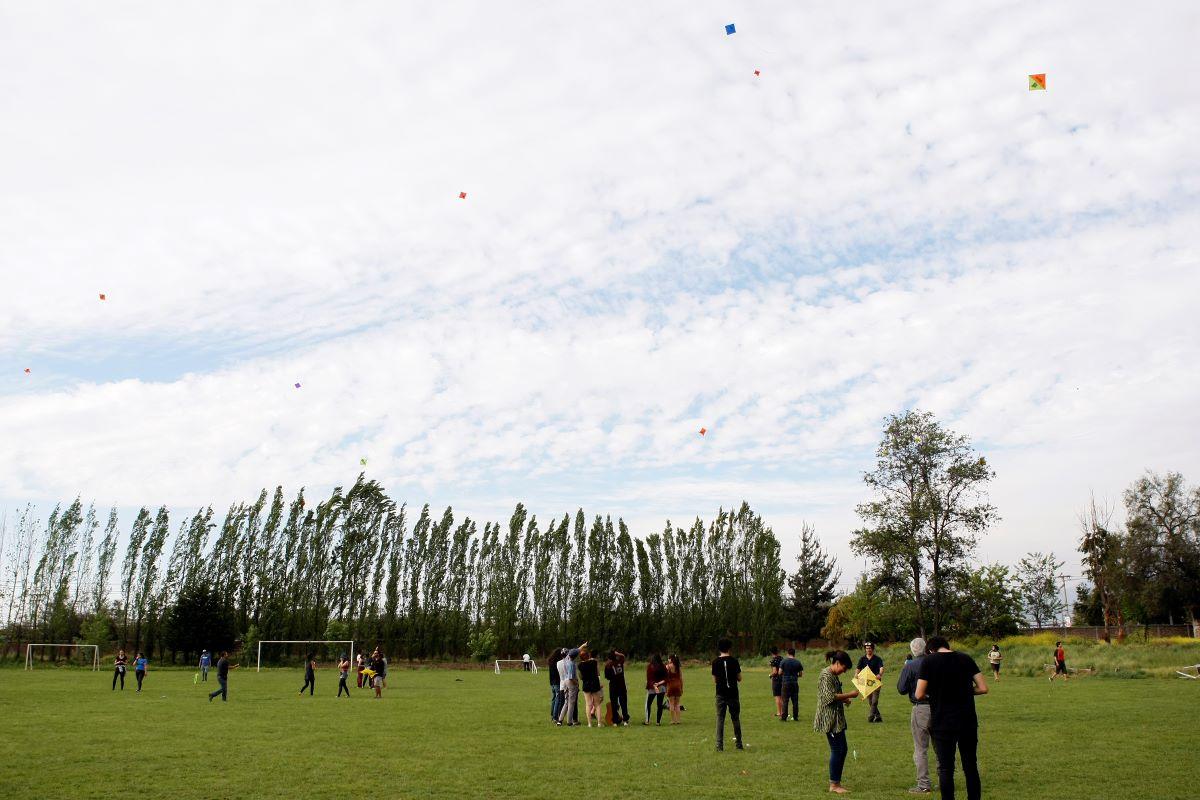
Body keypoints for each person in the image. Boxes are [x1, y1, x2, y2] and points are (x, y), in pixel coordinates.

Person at [915, 636, 988, 800]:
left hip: (942, 721)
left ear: (930, 650)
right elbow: (983, 688)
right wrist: (966, 691)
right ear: (947, 646)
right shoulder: (966, 658)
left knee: (946, 768)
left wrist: (937, 693)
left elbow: (919, 694)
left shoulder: (929, 662)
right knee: (970, 765)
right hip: (967, 720)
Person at [814, 650, 859, 795]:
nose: (844, 672)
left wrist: (845, 700)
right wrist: (850, 694)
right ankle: (834, 785)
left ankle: (837, 782)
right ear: (837, 663)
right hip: (830, 720)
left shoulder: (833, 675)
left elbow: (834, 693)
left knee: (843, 749)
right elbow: (828, 698)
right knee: (837, 750)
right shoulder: (825, 675)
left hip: (837, 719)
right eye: (844, 668)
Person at [897, 637, 932, 795]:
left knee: (920, 748)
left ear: (912, 650)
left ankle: (924, 784)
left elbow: (902, 688)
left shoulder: (910, 666)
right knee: (941, 747)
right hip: (939, 707)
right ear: (925, 648)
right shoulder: (935, 662)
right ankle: (946, 778)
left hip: (921, 708)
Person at [712, 638, 743, 751]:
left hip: (721, 693)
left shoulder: (715, 662)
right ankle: (739, 744)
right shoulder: (734, 661)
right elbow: (739, 678)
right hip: (733, 693)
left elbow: (715, 680)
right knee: (735, 718)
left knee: (720, 719)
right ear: (729, 648)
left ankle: (719, 745)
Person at [556, 641, 586, 726]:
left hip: (564, 682)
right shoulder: (572, 664)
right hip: (570, 682)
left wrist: (583, 645)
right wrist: (576, 683)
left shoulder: (565, 659)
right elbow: (571, 677)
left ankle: (560, 720)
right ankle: (569, 722)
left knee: (566, 702)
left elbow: (576, 651)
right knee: (571, 703)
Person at [858, 642, 885, 722]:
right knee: (870, 702)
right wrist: (856, 674)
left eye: (869, 648)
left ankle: (871, 716)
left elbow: (881, 668)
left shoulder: (877, 659)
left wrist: (880, 674)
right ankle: (878, 716)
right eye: (866, 648)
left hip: (876, 682)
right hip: (867, 683)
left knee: (874, 701)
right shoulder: (862, 659)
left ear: (872, 649)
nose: (868, 650)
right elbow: (858, 668)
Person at [579, 648, 604, 727]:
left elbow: (581, 676)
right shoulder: (594, 662)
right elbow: (597, 672)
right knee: (597, 704)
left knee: (588, 704)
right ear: (588, 656)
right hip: (595, 684)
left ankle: (589, 723)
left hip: (586, 685)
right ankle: (599, 723)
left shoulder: (580, 665)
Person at [605, 650, 630, 726]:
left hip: (613, 686)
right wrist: (618, 653)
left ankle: (615, 721)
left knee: (614, 703)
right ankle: (625, 720)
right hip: (621, 685)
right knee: (623, 703)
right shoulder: (619, 662)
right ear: (615, 656)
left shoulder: (608, 665)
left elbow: (607, 677)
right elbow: (623, 656)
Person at [780, 647, 804, 721]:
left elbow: (780, 672)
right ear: (794, 654)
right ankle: (795, 716)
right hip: (794, 683)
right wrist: (795, 675)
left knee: (785, 700)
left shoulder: (783, 661)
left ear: (788, 653)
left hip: (786, 682)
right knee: (795, 701)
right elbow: (800, 674)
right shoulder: (798, 662)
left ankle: (784, 717)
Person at [644, 653, 668, 725]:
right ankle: (658, 722)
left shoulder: (650, 667)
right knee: (659, 705)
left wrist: (655, 686)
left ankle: (647, 721)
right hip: (662, 687)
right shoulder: (663, 666)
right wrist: (659, 684)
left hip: (652, 688)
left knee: (648, 704)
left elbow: (649, 679)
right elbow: (666, 678)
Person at [665, 654, 684, 724]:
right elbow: (681, 678)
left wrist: (666, 688)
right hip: (678, 685)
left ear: (671, 659)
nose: (668, 660)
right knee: (677, 704)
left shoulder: (667, 667)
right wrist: (682, 687)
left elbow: (665, 678)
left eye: (668, 658)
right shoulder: (678, 667)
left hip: (670, 685)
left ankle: (673, 720)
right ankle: (678, 720)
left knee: (671, 703)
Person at [548, 648, 565, 722]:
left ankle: (552, 715)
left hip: (552, 683)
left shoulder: (551, 661)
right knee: (558, 699)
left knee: (554, 699)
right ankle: (555, 717)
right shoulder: (557, 662)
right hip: (557, 682)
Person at [769, 646, 784, 718]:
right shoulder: (782, 659)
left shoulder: (773, 660)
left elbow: (775, 672)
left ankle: (779, 712)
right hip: (783, 679)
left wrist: (770, 675)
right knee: (782, 697)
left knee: (777, 697)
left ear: (771, 652)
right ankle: (784, 712)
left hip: (776, 680)